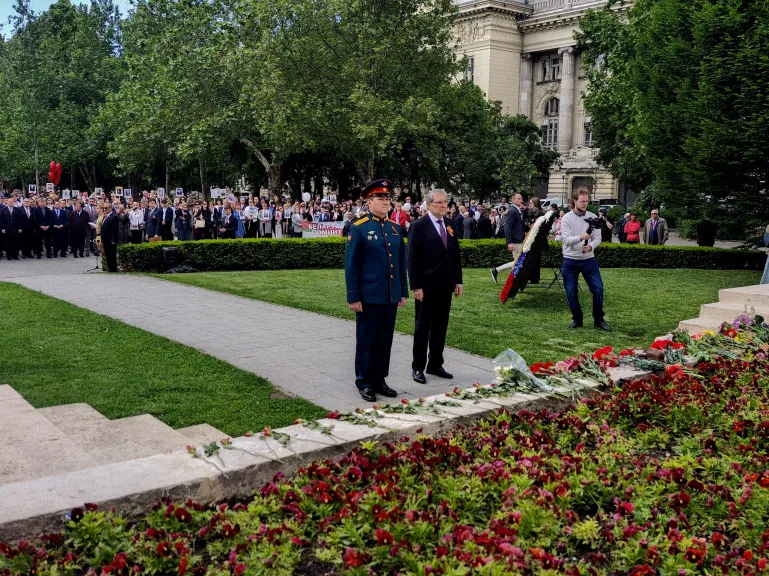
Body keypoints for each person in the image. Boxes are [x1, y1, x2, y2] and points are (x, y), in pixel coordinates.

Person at [344, 178, 407, 402]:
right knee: (366, 339)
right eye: (380, 198)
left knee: (385, 339)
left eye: (387, 198)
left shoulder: (395, 229)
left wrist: (403, 292)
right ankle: (364, 381)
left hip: (389, 295)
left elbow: (401, 263)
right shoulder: (359, 228)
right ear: (369, 202)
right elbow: (351, 266)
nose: (385, 201)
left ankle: (380, 379)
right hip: (368, 296)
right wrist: (353, 296)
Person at [407, 190, 463, 384]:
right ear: (429, 204)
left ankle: (435, 364)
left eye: (445, 202)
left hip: (445, 284)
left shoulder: (450, 224)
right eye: (438, 202)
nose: (443, 205)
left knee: (441, 326)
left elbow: (454, 255)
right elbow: (412, 259)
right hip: (426, 286)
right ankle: (418, 367)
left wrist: (458, 280)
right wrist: (416, 286)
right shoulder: (418, 226)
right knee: (423, 327)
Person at [561, 189, 611, 331]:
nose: (585, 204)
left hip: (589, 259)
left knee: (598, 288)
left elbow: (598, 238)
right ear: (575, 201)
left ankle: (598, 320)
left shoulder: (592, 216)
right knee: (571, 292)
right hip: (570, 259)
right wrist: (581, 237)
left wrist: (590, 247)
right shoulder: (567, 218)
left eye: (587, 201)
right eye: (582, 201)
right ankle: (577, 319)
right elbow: (565, 240)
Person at [490, 193, 526, 284]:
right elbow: (507, 227)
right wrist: (509, 242)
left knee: (518, 262)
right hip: (515, 241)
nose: (521, 200)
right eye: (518, 198)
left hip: (518, 240)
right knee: (518, 262)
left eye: (521, 198)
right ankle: (497, 271)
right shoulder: (513, 211)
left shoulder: (517, 210)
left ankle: (498, 272)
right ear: (513, 200)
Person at [100, 202, 119, 272]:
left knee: (112, 255)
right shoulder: (105, 216)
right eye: (103, 208)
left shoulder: (114, 216)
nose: (104, 209)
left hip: (111, 240)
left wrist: (113, 240)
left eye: (106, 208)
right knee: (107, 254)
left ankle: (113, 269)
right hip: (105, 239)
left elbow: (114, 230)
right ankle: (109, 268)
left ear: (110, 208)